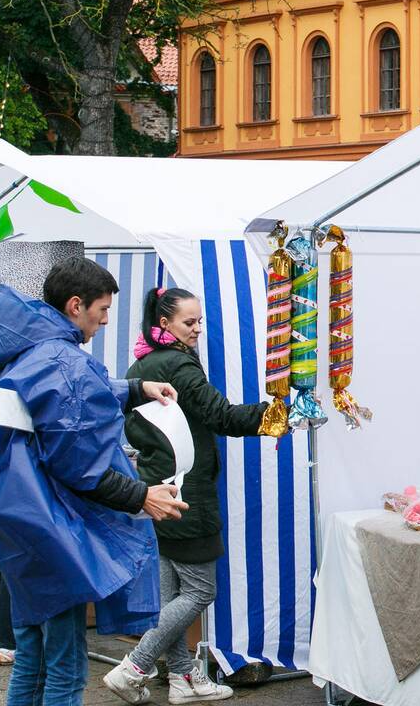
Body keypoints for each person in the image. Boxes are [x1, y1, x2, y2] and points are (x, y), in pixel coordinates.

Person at [0, 257, 188, 706]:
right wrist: (141, 496)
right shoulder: (63, 361)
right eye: (101, 310)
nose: (106, 320)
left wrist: (136, 389)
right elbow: (80, 466)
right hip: (51, 530)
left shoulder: (27, 350)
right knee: (65, 671)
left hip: (17, 525)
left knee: (31, 661)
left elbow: (61, 401)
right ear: (76, 305)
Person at [104, 287, 269, 705]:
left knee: (171, 595)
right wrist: (278, 413)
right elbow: (224, 417)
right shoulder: (179, 365)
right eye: (188, 322)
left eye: (199, 321)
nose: (197, 330)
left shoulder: (142, 363)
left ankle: (180, 680)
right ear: (165, 325)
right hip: (185, 492)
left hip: (153, 489)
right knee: (200, 591)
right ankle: (135, 667)